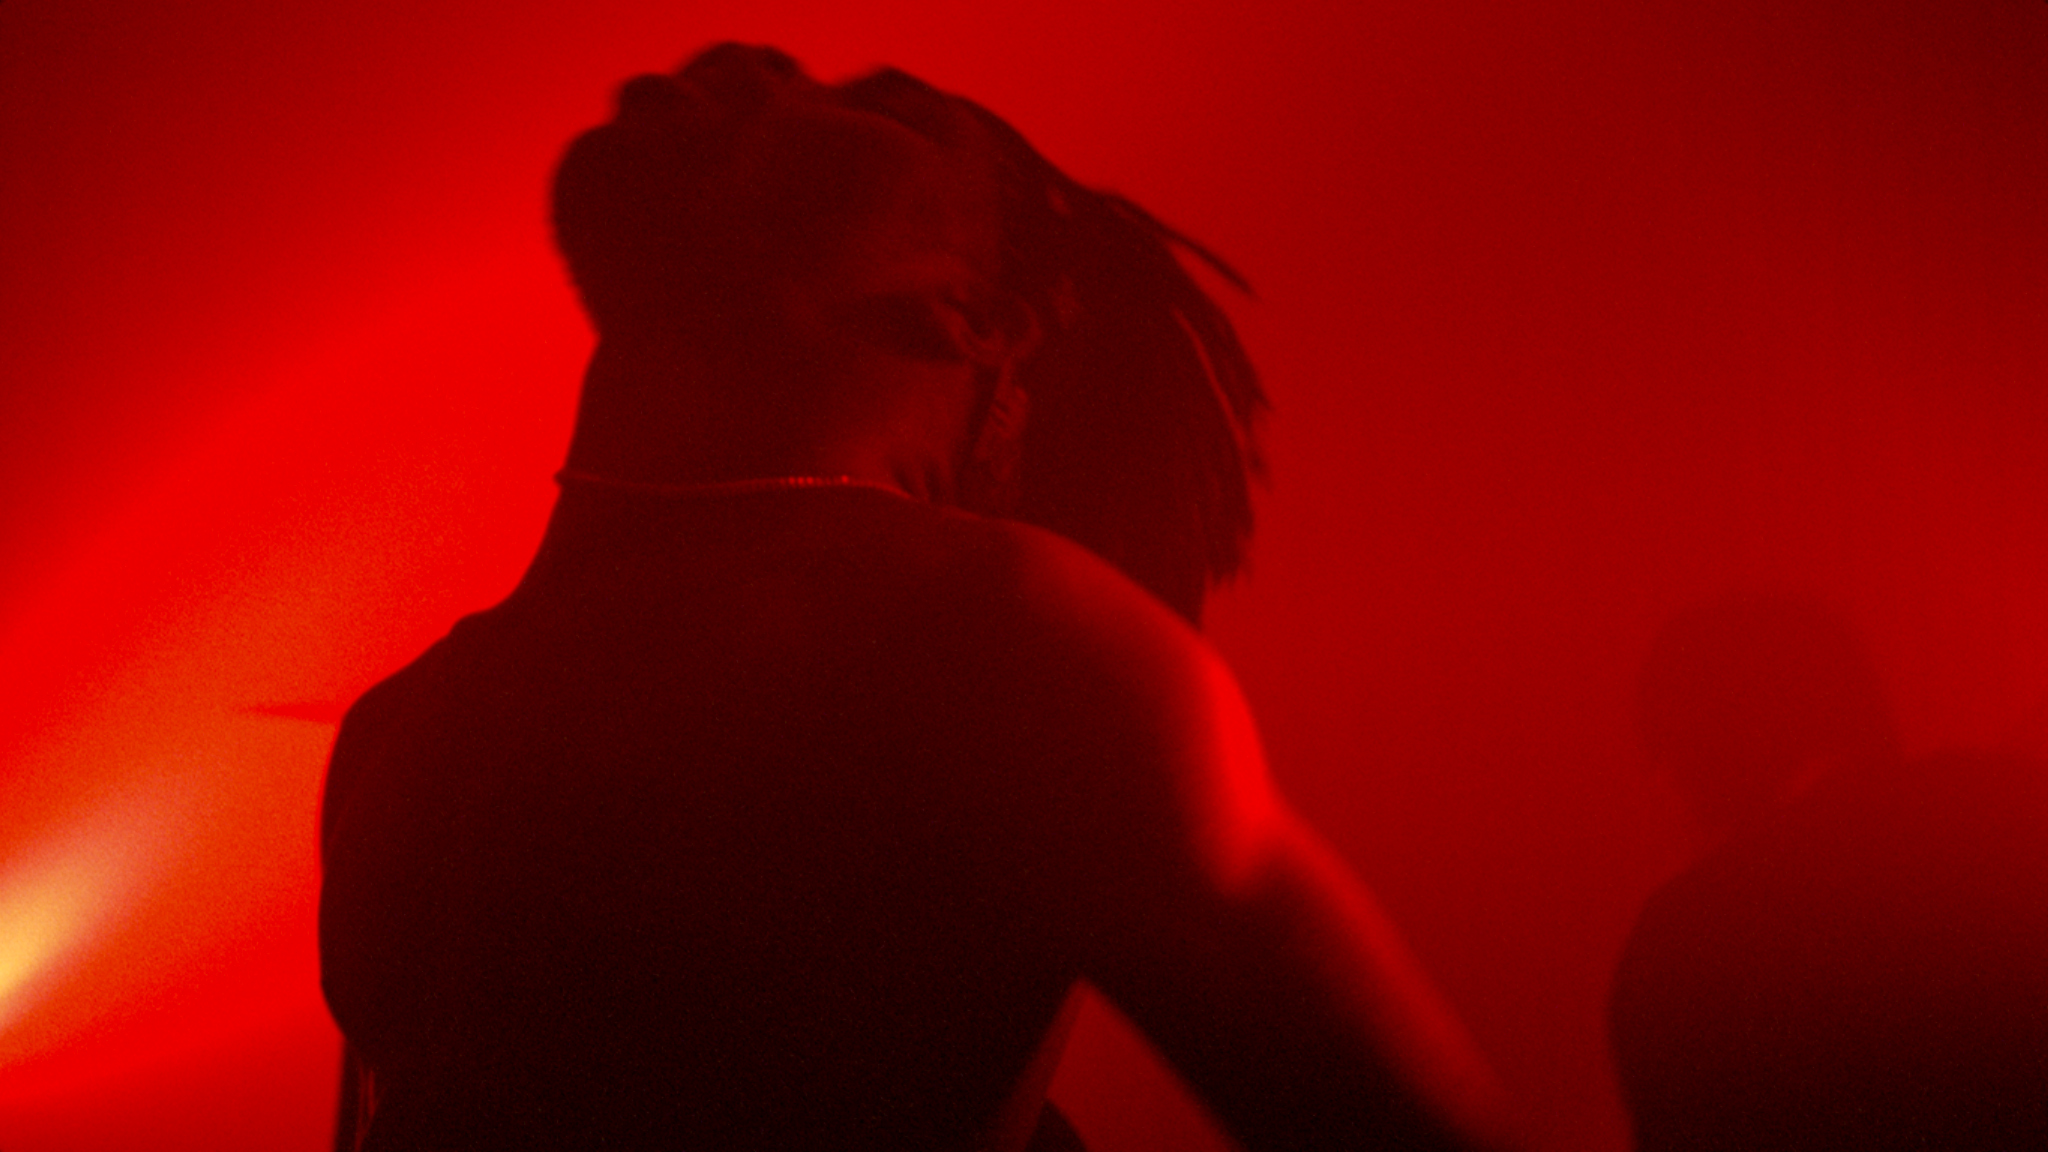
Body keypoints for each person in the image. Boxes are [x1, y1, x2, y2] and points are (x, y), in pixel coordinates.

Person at [319, 43, 1519, 1152]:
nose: (756, 55)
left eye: (883, 110)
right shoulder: (402, 717)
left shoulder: (1011, 654)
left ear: (973, 316)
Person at [1610, 592, 2048, 1150]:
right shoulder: (2012, 814)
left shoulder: (1686, 942)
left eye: (1662, 749)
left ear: (1703, 742)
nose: (1659, 787)